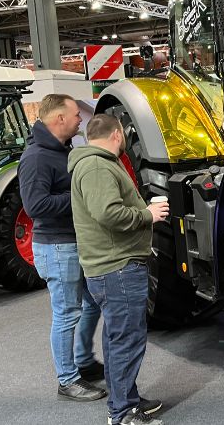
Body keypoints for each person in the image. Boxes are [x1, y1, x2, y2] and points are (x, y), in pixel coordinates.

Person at [69, 114, 168, 425]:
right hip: (118, 267)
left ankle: (126, 399)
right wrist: (147, 215)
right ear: (115, 134)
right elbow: (108, 214)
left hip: (112, 266)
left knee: (117, 339)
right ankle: (123, 413)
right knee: (126, 340)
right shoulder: (97, 165)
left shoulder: (93, 163)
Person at [19, 94, 106, 402]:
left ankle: (82, 361)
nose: (80, 119)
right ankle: (67, 380)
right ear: (59, 120)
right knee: (66, 313)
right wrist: (79, 198)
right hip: (57, 248)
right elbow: (35, 206)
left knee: (91, 304)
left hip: (72, 243)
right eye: (75, 115)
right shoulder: (37, 157)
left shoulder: (62, 150)